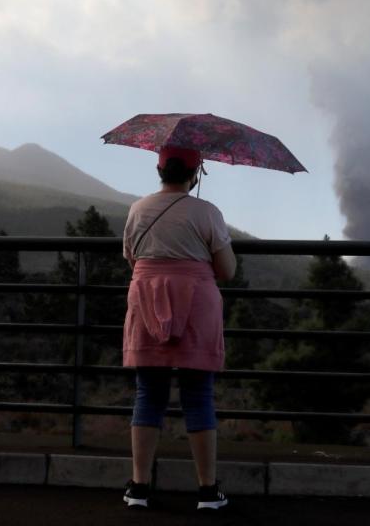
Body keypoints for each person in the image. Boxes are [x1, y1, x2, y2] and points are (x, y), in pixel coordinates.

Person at [121, 145, 236, 511]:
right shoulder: (207, 212)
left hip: (147, 301)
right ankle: (207, 492)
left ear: (159, 171)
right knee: (198, 396)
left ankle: (138, 488)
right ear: (195, 173)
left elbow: (131, 258)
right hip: (196, 304)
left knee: (148, 394)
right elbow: (227, 271)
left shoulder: (138, 209)